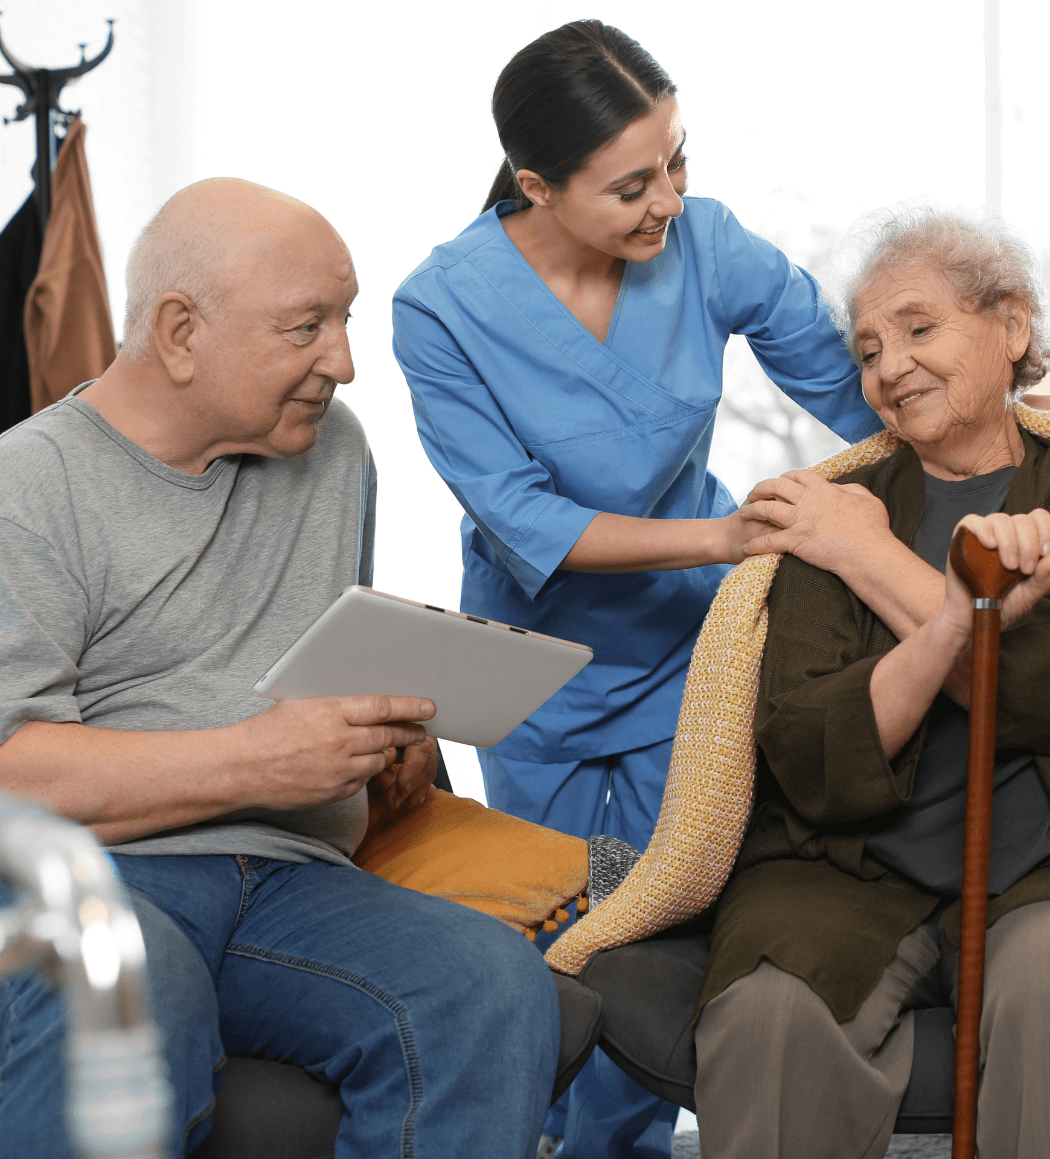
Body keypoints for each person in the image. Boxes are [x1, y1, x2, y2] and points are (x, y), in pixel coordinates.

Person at [391, 19, 880, 1157]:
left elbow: (858, 388)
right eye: (629, 185)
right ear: (536, 186)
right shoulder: (441, 307)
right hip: (537, 665)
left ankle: (627, 1146)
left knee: (670, 923)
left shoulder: (707, 244)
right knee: (552, 929)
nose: (666, 199)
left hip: (689, 656)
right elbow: (526, 519)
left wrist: (987, 435)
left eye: (677, 161)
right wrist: (726, 536)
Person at [0, 178, 560, 1159]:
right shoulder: (28, 484)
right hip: (89, 875)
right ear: (179, 332)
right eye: (307, 328)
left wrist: (384, 746)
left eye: (343, 321)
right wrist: (260, 761)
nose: (342, 361)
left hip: (296, 876)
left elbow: (307, 666)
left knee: (487, 982)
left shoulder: (332, 453)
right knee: (130, 977)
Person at [692, 205, 1050, 1158]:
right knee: (769, 1015)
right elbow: (806, 748)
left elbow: (1031, 699)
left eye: (920, 328)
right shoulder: (834, 515)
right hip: (842, 868)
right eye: (869, 349)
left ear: (1012, 326)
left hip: (1040, 872)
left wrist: (875, 564)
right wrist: (931, 602)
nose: (889, 367)